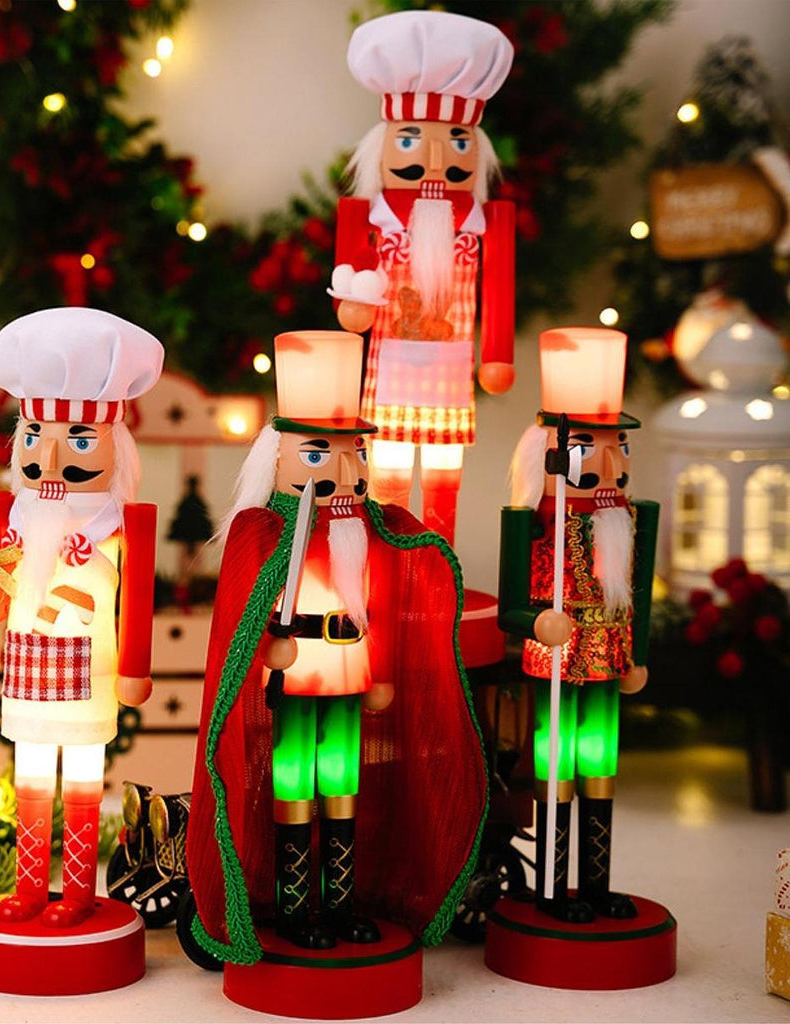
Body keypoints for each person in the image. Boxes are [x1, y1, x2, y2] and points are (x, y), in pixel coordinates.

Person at [186, 329, 487, 964]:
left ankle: (343, 903)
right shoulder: (263, 531)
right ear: (279, 459)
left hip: (350, 679)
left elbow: (383, 611)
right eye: (321, 453)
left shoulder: (373, 534)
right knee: (296, 787)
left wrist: (382, 671)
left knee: (343, 786)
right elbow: (243, 618)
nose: (346, 471)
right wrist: (267, 650)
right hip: (296, 686)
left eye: (357, 454)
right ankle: (296, 909)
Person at [0, 307, 161, 928]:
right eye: (36, 434)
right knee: (32, 778)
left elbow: (136, 601)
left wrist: (136, 668)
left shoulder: (120, 525)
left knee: (86, 780)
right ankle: (28, 888)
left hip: (93, 673)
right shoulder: (10, 516)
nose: (52, 455)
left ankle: (77, 893)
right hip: (27, 669)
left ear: (114, 447)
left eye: (80, 439)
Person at [331, 10, 515, 542]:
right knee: (386, 476)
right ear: (383, 146)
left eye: (457, 140)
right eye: (411, 139)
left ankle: (438, 559)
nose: (436, 157)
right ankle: (390, 557)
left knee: (443, 477)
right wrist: (352, 307)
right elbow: (350, 292)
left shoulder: (484, 222)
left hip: (450, 374)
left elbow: (499, 290)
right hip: (389, 373)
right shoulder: (371, 218)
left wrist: (497, 354)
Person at [498, 327, 659, 923]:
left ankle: (595, 884)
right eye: (592, 447)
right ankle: (550, 888)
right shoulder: (534, 520)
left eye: (620, 446)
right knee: (556, 768)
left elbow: (638, 595)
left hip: (610, 658)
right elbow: (513, 604)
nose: (612, 463)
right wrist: (538, 621)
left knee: (600, 768)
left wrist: (638, 654)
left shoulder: (630, 520)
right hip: (557, 663)